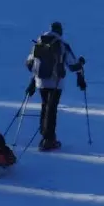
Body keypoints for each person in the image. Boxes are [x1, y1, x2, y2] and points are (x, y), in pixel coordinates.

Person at [25, 21, 85, 151]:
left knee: (45, 106)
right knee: (51, 109)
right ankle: (49, 139)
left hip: (40, 81)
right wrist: (80, 64)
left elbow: (30, 64)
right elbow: (73, 65)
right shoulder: (62, 44)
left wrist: (33, 82)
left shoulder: (39, 43)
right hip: (56, 82)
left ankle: (44, 135)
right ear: (60, 31)